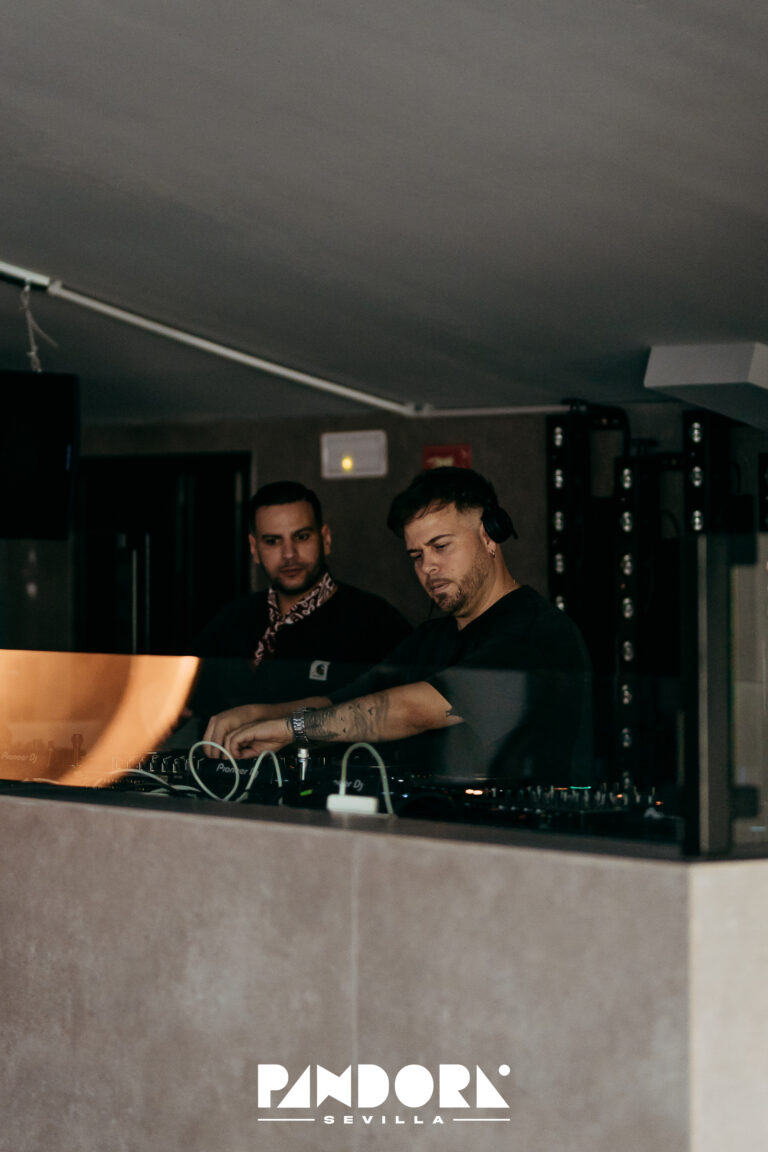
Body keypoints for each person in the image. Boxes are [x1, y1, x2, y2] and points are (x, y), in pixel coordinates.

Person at [203, 468, 592, 784]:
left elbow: (414, 710)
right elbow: (344, 702)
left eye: (441, 546)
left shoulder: (538, 632)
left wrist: (292, 729)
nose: (428, 567)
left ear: (489, 536)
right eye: (416, 555)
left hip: (528, 841)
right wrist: (258, 715)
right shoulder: (430, 638)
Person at [190, 480, 412, 710]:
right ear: (254, 548)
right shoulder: (231, 621)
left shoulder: (378, 623)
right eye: (272, 541)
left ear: (325, 539)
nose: (289, 554)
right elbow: (186, 702)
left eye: (302, 537)